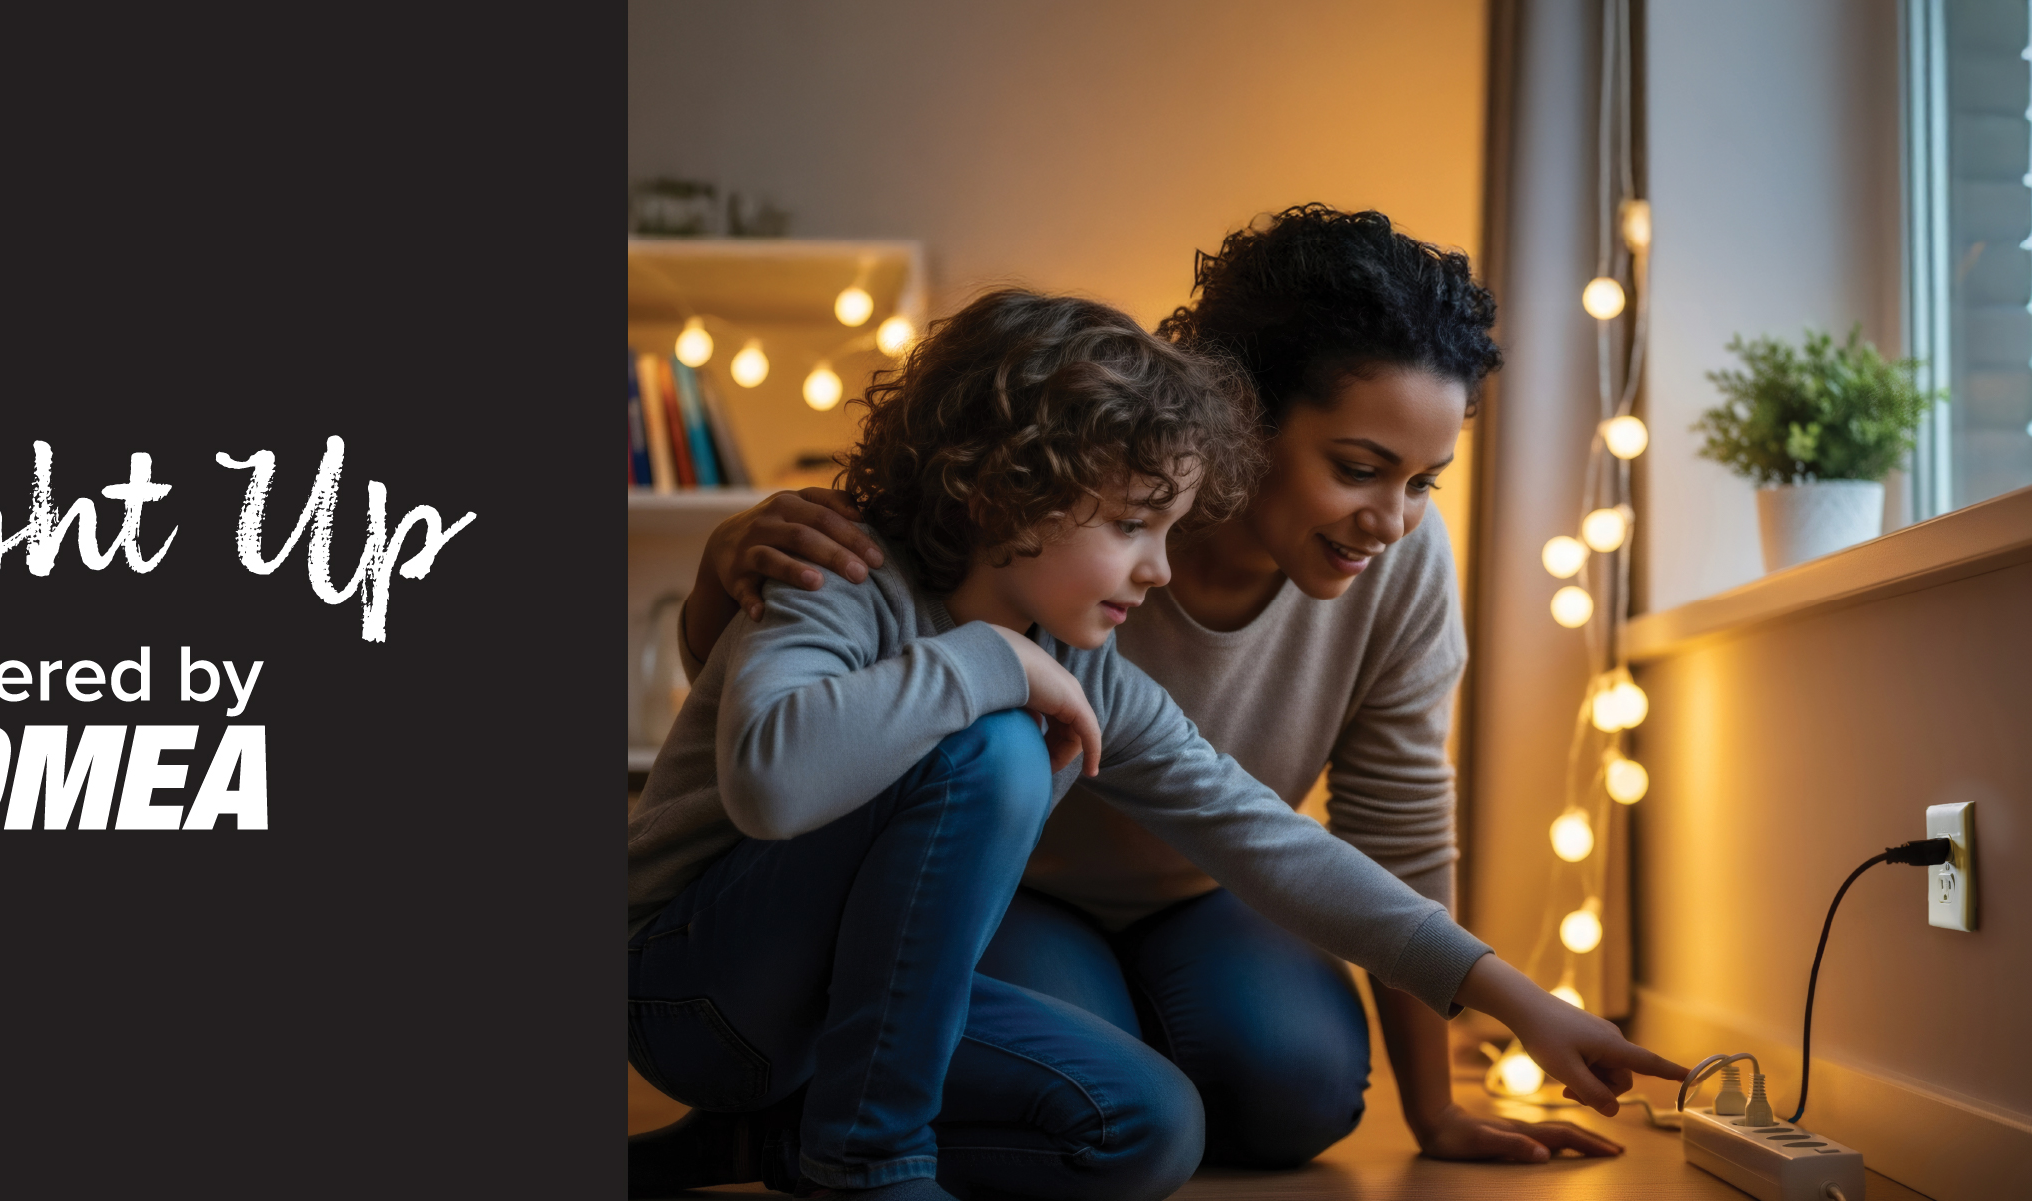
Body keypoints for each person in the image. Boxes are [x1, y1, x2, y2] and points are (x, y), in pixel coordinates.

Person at [631, 285, 1681, 1201]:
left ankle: (767, 1136)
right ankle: (871, 1157)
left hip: (845, 1003)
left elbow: (1265, 836)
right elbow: (769, 782)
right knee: (994, 749)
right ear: (1008, 491)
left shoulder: (1081, 661)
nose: (1160, 569)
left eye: (1170, 530)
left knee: (1149, 1129)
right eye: (1135, 526)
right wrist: (988, 663)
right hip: (695, 987)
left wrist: (1518, 1001)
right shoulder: (844, 576)